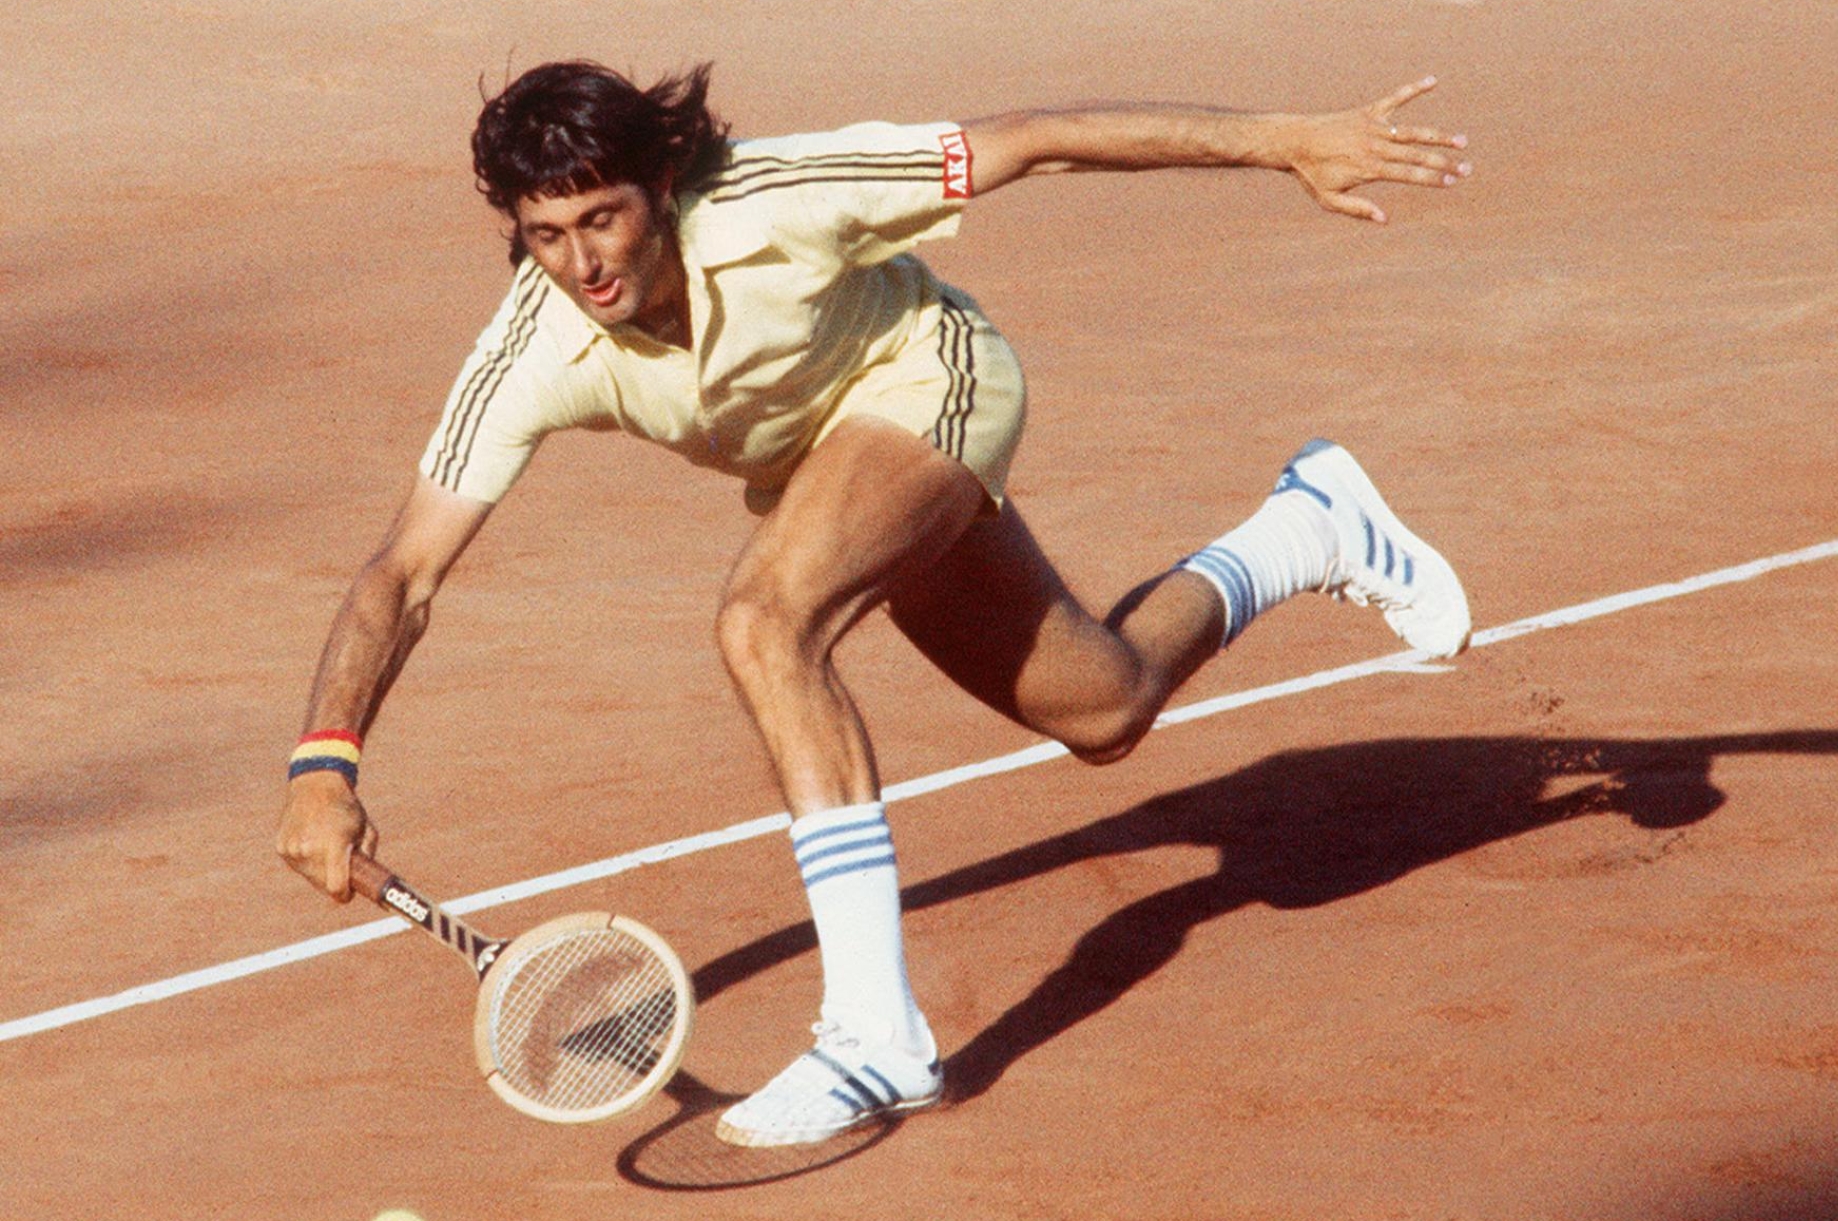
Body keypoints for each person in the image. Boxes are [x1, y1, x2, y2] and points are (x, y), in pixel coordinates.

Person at [277, 59, 1475, 1147]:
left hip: (932, 379)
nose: (583, 261)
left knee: (763, 622)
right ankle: (1311, 525)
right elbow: (403, 571)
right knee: (1105, 709)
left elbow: (1032, 139)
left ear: (665, 185)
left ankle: (875, 1037)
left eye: (604, 218)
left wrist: (1286, 142)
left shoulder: (770, 198)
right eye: (547, 234)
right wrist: (324, 763)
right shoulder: (536, 347)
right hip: (827, 478)